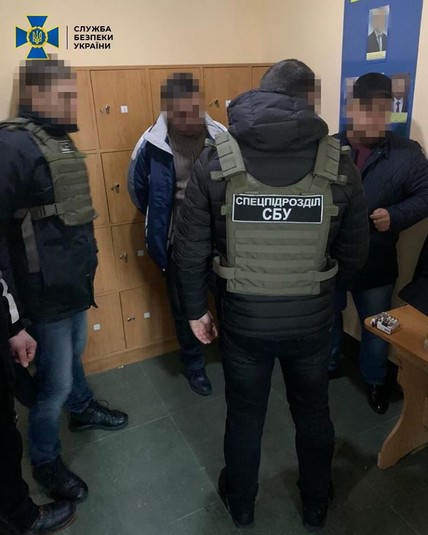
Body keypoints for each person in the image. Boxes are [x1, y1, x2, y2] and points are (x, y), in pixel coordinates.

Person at [172, 59, 369, 532]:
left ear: (262, 94)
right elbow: (356, 253)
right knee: (313, 413)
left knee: (244, 415)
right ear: (307, 100)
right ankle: (316, 504)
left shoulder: (215, 160)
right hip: (311, 322)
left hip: (244, 321)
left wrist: (197, 310)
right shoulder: (338, 163)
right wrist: (321, 290)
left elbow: (189, 249)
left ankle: (242, 505)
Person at [0, 59, 128, 504]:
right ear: (37, 95)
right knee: (52, 383)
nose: (74, 102)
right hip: (41, 292)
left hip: (72, 283)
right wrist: (14, 320)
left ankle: (82, 407)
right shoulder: (12, 146)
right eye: (66, 95)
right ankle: (45, 459)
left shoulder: (57, 139)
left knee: (73, 356)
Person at [329, 73, 428, 413]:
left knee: (376, 328)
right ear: (351, 108)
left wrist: (396, 215)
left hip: (377, 260)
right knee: (328, 318)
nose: (376, 119)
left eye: (384, 112)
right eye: (368, 110)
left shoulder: (406, 153)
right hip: (330, 260)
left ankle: (375, 382)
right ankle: (329, 365)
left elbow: (427, 194)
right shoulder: (327, 148)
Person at [128, 73, 226, 396]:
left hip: (218, 241)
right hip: (178, 243)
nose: (191, 119)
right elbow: (138, 190)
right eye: (182, 113)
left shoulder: (221, 136)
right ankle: (194, 366)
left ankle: (232, 354)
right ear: (168, 110)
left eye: (195, 110)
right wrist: (162, 220)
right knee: (185, 308)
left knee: (229, 301)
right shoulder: (153, 144)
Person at [0, 271, 75, 534]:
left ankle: (15, 513)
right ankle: (21, 517)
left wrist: (13, 326)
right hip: (43, 296)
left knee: (6, 434)